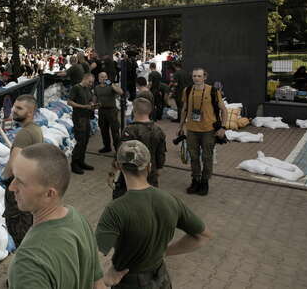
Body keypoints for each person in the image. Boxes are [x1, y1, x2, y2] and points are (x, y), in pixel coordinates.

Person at [95, 141, 213, 289]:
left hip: (127, 282)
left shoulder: (115, 210)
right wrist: (165, 252)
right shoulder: (170, 200)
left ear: (119, 167)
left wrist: (105, 280)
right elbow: (203, 236)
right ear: (149, 167)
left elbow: (92, 257)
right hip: (161, 279)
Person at [7, 143, 103, 289]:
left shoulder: (28, 263)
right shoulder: (77, 219)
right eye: (14, 178)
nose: (11, 187)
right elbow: (99, 285)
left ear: (49, 194)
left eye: (20, 182)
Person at [0, 94, 43, 247]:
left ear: (29, 112)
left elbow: (14, 163)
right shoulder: (36, 129)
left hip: (19, 191)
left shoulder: (24, 134)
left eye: (19, 108)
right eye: (14, 106)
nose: (14, 110)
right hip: (29, 188)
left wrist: (4, 177)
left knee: (19, 233)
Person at [178, 68, 226, 196]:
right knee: (193, 157)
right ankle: (195, 180)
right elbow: (184, 109)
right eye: (194, 76)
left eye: (199, 76)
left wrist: (223, 127)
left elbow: (224, 110)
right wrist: (181, 126)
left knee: (207, 157)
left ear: (205, 77)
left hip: (208, 131)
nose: (196, 78)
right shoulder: (188, 91)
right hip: (192, 130)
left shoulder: (213, 91)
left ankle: (205, 182)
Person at [111, 98, 166, 199]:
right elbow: (161, 153)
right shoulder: (158, 130)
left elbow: (121, 153)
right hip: (150, 171)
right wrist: (159, 168)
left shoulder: (129, 130)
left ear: (134, 111)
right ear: (150, 111)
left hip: (131, 172)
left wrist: (114, 170)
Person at [68, 73, 96, 174]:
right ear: (84, 79)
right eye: (90, 82)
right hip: (79, 117)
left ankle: (81, 161)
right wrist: (83, 107)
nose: (91, 84)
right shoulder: (76, 88)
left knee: (85, 140)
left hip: (86, 117)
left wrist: (92, 104)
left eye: (92, 83)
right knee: (80, 141)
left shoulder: (87, 89)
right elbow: (70, 102)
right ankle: (74, 164)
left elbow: (90, 98)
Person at [95, 71, 124, 153]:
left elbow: (121, 92)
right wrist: (94, 104)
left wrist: (111, 84)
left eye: (105, 77)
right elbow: (95, 97)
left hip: (111, 110)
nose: (104, 78)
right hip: (102, 111)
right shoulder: (97, 88)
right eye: (102, 77)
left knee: (115, 130)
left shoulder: (111, 86)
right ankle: (107, 147)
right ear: (99, 78)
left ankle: (117, 148)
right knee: (104, 130)